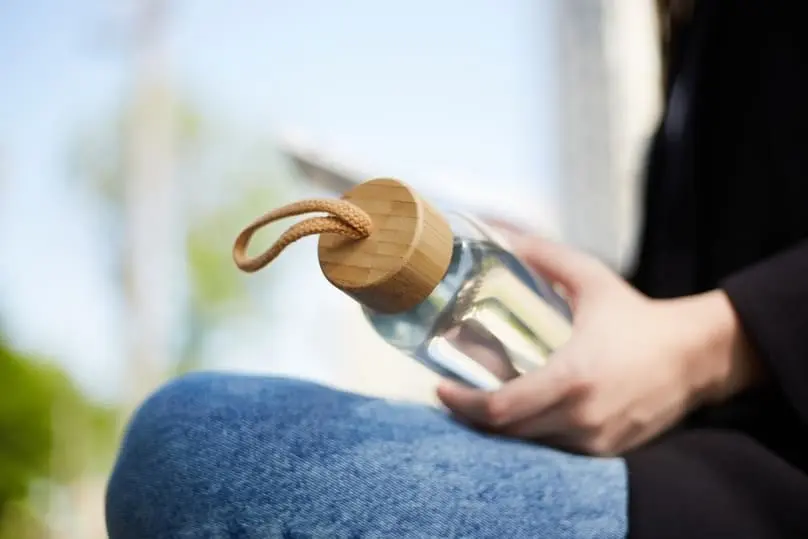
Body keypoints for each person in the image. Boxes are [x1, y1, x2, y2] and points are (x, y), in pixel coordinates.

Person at [105, 1, 808, 537]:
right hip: (676, 447)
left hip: (765, 479)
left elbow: (696, 324)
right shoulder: (694, 46)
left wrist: (714, 342)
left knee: (204, 445)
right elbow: (673, 291)